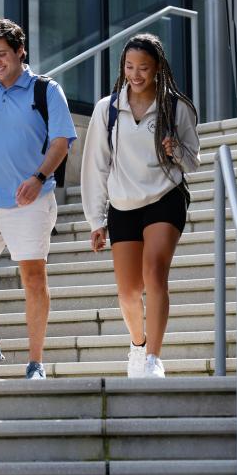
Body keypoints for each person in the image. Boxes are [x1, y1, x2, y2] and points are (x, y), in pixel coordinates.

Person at [0, 18, 77, 380]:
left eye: (2, 54)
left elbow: (61, 142)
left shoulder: (46, 91)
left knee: (33, 277)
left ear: (21, 51)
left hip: (30, 199)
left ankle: (36, 362)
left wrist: (38, 179)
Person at [80, 33, 200, 378]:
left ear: (158, 68)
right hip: (122, 204)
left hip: (165, 196)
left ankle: (153, 358)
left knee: (155, 272)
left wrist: (174, 148)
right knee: (129, 291)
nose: (135, 74)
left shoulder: (177, 107)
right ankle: (137, 344)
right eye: (129, 67)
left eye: (143, 68)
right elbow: (96, 166)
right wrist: (95, 220)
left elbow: (192, 160)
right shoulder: (108, 110)